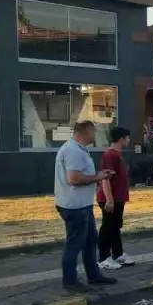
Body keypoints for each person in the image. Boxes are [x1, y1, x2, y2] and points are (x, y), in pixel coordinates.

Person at [54, 121, 117, 290]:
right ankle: (70, 281)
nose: (95, 135)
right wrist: (98, 177)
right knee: (74, 244)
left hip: (82, 205)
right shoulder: (73, 151)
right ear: (86, 132)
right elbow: (74, 179)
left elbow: (81, 176)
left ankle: (94, 275)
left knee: (90, 241)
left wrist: (99, 176)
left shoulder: (78, 149)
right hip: (75, 206)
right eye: (93, 132)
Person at [96, 127, 134, 271]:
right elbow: (105, 179)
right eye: (127, 138)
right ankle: (103, 258)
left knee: (115, 227)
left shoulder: (117, 155)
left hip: (118, 198)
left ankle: (117, 254)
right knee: (108, 228)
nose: (129, 141)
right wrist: (109, 199)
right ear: (121, 139)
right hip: (110, 199)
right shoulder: (110, 155)